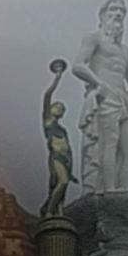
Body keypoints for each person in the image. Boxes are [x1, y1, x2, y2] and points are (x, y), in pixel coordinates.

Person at [72, 0, 128, 193]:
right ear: (103, 15)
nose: (118, 14)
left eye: (122, 11)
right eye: (114, 9)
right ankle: (109, 191)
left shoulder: (126, 51)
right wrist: (99, 83)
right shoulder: (94, 38)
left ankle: (124, 191)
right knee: (108, 143)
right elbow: (78, 66)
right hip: (104, 97)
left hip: (122, 100)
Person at [40, 59, 76, 217]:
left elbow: (69, 148)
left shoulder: (63, 130)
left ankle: (59, 212)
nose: (60, 109)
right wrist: (58, 76)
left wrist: (72, 167)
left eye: (62, 109)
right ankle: (48, 210)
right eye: (58, 106)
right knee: (62, 182)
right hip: (56, 157)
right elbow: (48, 94)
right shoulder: (48, 120)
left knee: (63, 188)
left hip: (65, 158)